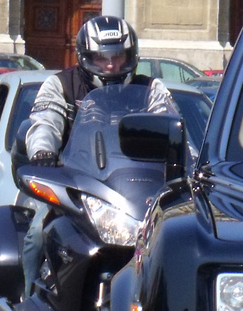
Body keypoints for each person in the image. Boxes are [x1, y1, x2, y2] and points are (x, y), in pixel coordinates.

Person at [22, 16, 175, 294]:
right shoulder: (60, 86)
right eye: (102, 58)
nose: (111, 65)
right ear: (85, 57)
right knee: (36, 235)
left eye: (118, 56)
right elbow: (45, 121)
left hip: (138, 190)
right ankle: (30, 304)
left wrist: (189, 159)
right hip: (76, 186)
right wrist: (42, 151)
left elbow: (173, 124)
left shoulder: (151, 90)